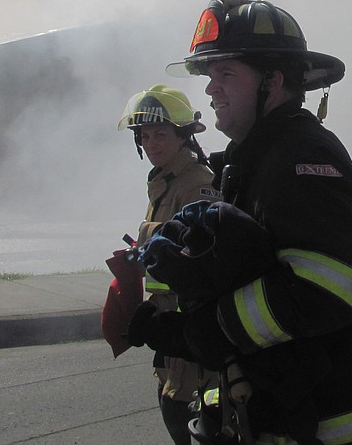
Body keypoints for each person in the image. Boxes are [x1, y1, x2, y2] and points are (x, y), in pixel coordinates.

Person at [131, 0, 352, 445]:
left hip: (338, 430)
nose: (210, 88)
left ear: (272, 81)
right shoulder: (259, 158)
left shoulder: (302, 159)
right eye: (209, 75)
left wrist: (208, 329)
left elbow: (328, 287)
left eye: (226, 73)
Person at [118, 85, 217, 445]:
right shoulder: (164, 181)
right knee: (171, 399)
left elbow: (199, 243)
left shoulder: (197, 182)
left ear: (183, 136)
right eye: (145, 136)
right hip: (167, 318)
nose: (151, 143)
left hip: (188, 319)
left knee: (185, 408)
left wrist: (148, 234)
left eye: (160, 134)